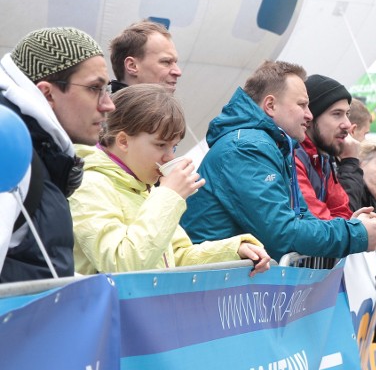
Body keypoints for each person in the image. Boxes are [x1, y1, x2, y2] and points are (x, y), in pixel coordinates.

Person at [181, 60, 376, 260]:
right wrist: (355, 233)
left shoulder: (273, 145)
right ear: (270, 105)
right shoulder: (246, 148)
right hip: (216, 287)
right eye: (302, 105)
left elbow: (303, 218)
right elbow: (282, 233)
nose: (309, 115)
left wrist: (352, 227)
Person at [70, 84, 271, 274]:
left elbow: (177, 257)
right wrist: (168, 195)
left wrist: (234, 250)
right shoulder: (90, 183)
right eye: (160, 145)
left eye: (173, 147)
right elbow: (121, 262)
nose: (169, 157)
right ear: (123, 141)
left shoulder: (145, 188)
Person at [0, 27, 116, 282]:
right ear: (47, 93)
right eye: (95, 88)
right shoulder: (10, 146)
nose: (108, 104)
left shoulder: (35, 148)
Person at [295, 74, 356, 220]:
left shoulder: (322, 157)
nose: (347, 124)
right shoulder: (292, 155)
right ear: (309, 117)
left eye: (347, 114)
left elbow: (342, 212)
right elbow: (317, 221)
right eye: (337, 114)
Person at [109, 20, 181, 93]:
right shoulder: (107, 104)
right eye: (166, 62)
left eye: (175, 62)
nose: (178, 72)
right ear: (132, 66)